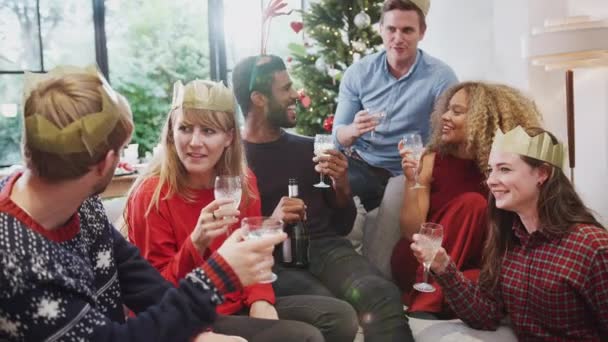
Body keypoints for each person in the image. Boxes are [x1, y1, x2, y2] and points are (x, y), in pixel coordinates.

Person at [0, 66, 286, 341]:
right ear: (107, 162)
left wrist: (197, 333)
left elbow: (142, 281)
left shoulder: (83, 205)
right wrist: (219, 274)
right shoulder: (17, 263)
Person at [125, 79, 357, 342]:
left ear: (229, 137)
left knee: (340, 317)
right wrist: (195, 244)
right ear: (171, 133)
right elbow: (153, 293)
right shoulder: (151, 194)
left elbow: (254, 252)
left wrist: (261, 299)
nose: (194, 142)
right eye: (185, 129)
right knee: (305, 337)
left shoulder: (240, 183)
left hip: (233, 302)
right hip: (184, 316)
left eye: (208, 131)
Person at [233, 54, 414, 342]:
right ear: (258, 99)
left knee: (381, 293)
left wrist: (341, 184)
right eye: (286, 89)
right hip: (274, 259)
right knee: (332, 309)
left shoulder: (309, 149)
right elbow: (230, 239)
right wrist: (273, 222)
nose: (296, 94)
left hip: (326, 249)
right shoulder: (232, 160)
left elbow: (342, 225)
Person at [413, 126, 608, 340]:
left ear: (542, 174)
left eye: (504, 169)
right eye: (490, 170)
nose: (491, 180)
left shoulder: (592, 247)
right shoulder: (508, 238)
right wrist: (443, 267)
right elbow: (486, 315)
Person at [391, 82, 542, 319]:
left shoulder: (504, 166)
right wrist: (412, 181)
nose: (445, 117)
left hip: (467, 266)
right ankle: (425, 303)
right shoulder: (431, 159)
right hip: (421, 264)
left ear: (483, 121)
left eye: (457, 112)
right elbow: (412, 231)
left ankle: (438, 299)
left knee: (487, 283)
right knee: (473, 203)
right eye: (447, 109)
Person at [332, 0, 458, 211]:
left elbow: (448, 138)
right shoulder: (358, 72)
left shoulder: (441, 76)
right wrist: (354, 130)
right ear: (381, 29)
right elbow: (338, 136)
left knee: (388, 225)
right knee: (336, 210)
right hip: (361, 164)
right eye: (391, 29)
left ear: (422, 32)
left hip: (406, 170)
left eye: (407, 30)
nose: (398, 39)